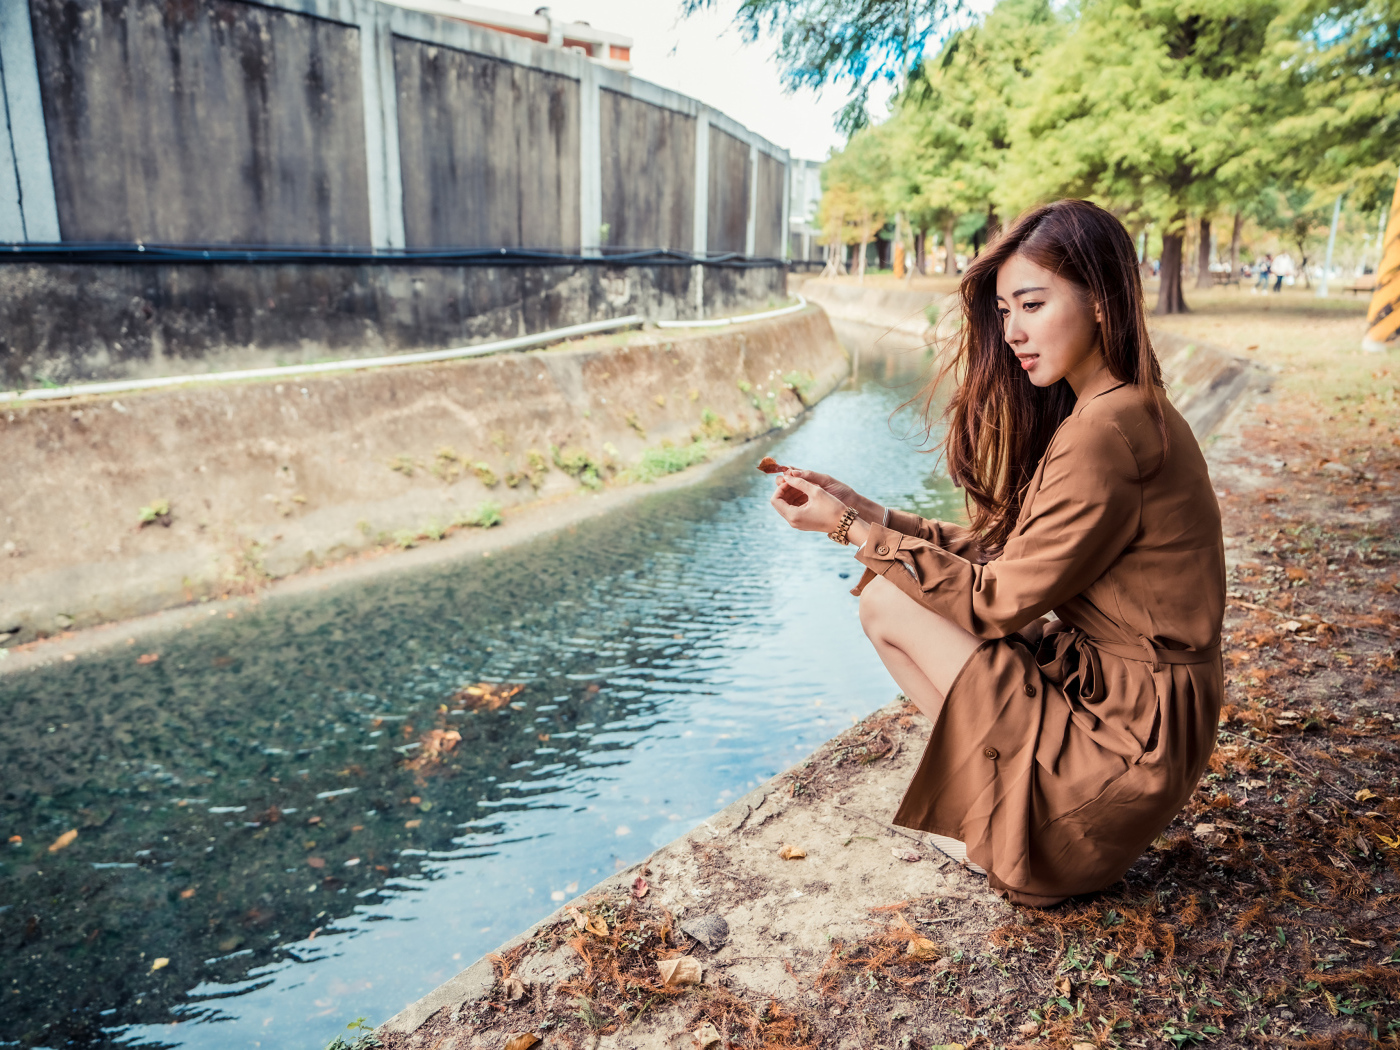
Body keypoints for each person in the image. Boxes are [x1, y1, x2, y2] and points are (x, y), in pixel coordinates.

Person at [767, 199, 1224, 907]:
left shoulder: (1106, 431)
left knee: (889, 599)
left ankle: (1013, 830)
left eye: (1032, 305)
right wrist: (871, 512)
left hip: (1124, 747)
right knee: (897, 591)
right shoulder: (1124, 407)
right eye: (1005, 311)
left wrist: (845, 532)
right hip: (1140, 725)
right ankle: (998, 806)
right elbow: (1011, 554)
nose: (1011, 331)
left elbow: (993, 600)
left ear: (1101, 301)